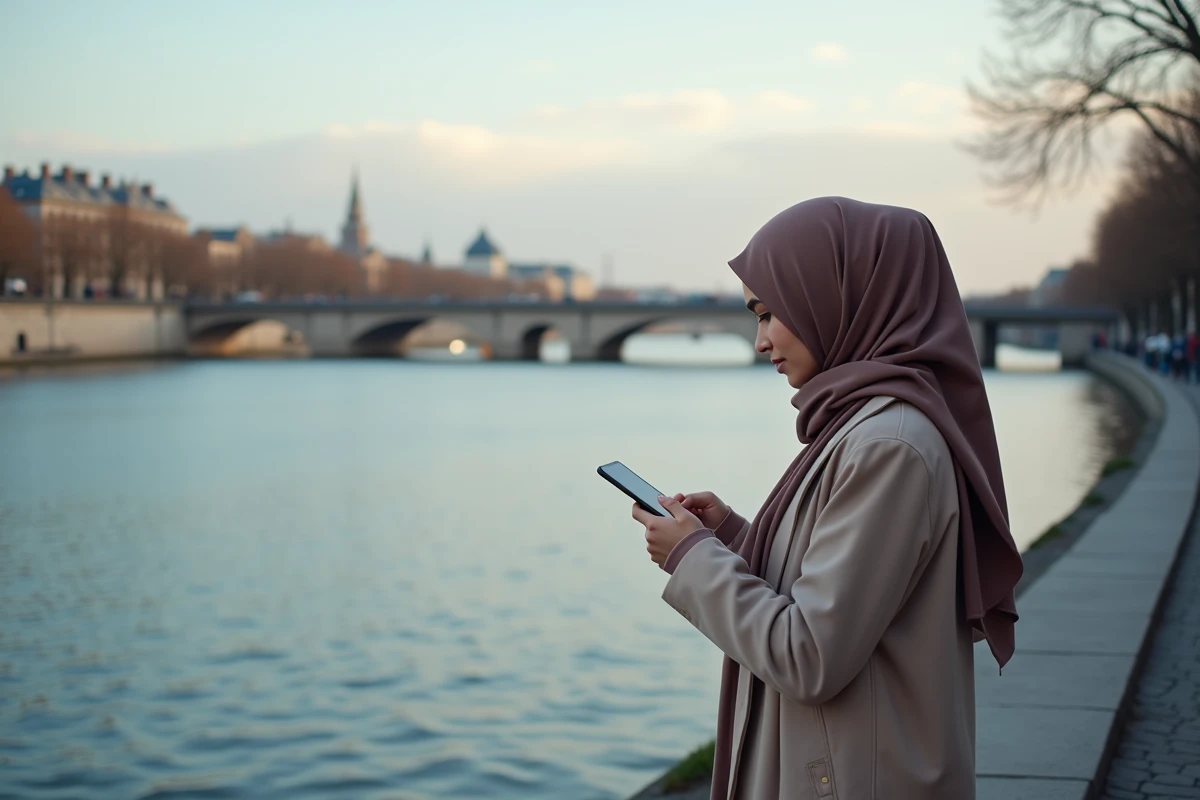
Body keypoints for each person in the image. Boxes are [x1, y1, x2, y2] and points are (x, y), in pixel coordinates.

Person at [632, 197, 1023, 800]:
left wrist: (692, 559)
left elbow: (809, 655)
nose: (760, 341)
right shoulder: (867, 425)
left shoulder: (888, 444)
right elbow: (847, 589)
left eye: (768, 314)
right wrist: (730, 538)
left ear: (835, 295)